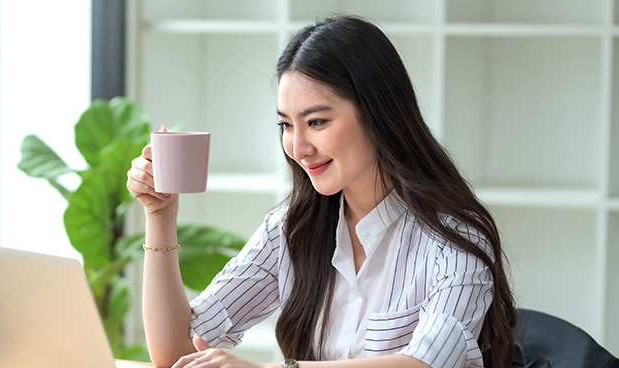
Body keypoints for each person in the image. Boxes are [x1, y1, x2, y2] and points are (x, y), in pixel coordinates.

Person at [126, 15, 515, 368]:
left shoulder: (455, 239)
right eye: (286, 126)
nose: (298, 147)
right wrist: (160, 216)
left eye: (316, 121)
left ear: (378, 112)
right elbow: (174, 353)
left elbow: (425, 364)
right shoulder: (292, 230)